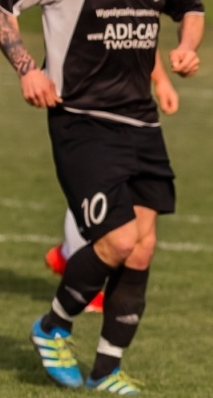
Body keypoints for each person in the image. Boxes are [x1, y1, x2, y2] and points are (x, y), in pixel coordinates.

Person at [0, 0, 204, 394]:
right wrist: (27, 68)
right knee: (121, 238)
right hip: (82, 122)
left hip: (142, 124)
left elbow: (189, 7)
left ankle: (107, 370)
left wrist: (185, 49)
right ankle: (53, 326)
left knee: (145, 245)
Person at [43, 61, 181, 311]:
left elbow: (140, 29)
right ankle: (73, 273)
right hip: (83, 110)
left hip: (127, 109)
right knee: (98, 188)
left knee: (122, 201)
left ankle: (70, 257)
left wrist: (160, 79)